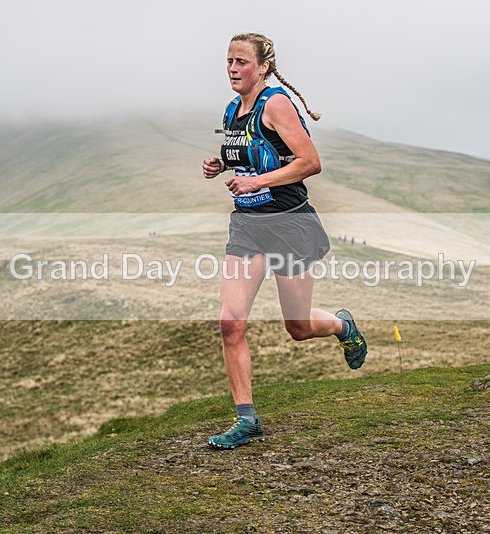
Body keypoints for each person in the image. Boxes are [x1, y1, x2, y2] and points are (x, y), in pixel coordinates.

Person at [201, 32, 367, 450]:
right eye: (229, 61)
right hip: (248, 227)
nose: (233, 69)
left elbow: (310, 162)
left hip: (290, 225)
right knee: (229, 322)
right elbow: (252, 152)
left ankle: (342, 325)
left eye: (241, 62)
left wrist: (258, 180)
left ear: (263, 67)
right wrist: (221, 163)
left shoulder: (275, 104)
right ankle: (247, 420)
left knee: (297, 326)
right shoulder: (232, 109)